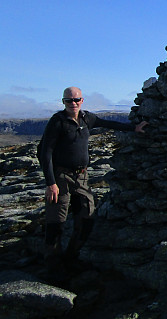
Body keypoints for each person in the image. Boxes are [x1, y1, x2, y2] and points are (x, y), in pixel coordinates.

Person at [40, 86, 147, 278]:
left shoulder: (87, 118)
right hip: (61, 177)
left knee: (87, 214)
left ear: (82, 100)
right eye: (68, 101)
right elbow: (45, 152)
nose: (73, 103)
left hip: (81, 176)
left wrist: (135, 128)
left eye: (76, 100)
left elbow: (109, 124)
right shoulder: (57, 122)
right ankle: (53, 265)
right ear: (63, 102)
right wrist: (51, 183)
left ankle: (72, 257)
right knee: (57, 220)